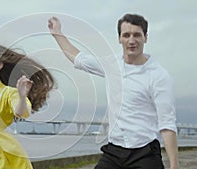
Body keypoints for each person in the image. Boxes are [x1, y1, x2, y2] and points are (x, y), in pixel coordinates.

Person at [48, 14, 178, 169]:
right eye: (126, 35)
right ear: (119, 39)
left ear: (145, 38)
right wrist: (57, 33)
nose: (131, 40)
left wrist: (174, 165)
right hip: (114, 152)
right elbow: (79, 59)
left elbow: (167, 124)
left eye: (137, 35)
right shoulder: (112, 64)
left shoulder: (158, 76)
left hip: (144, 152)